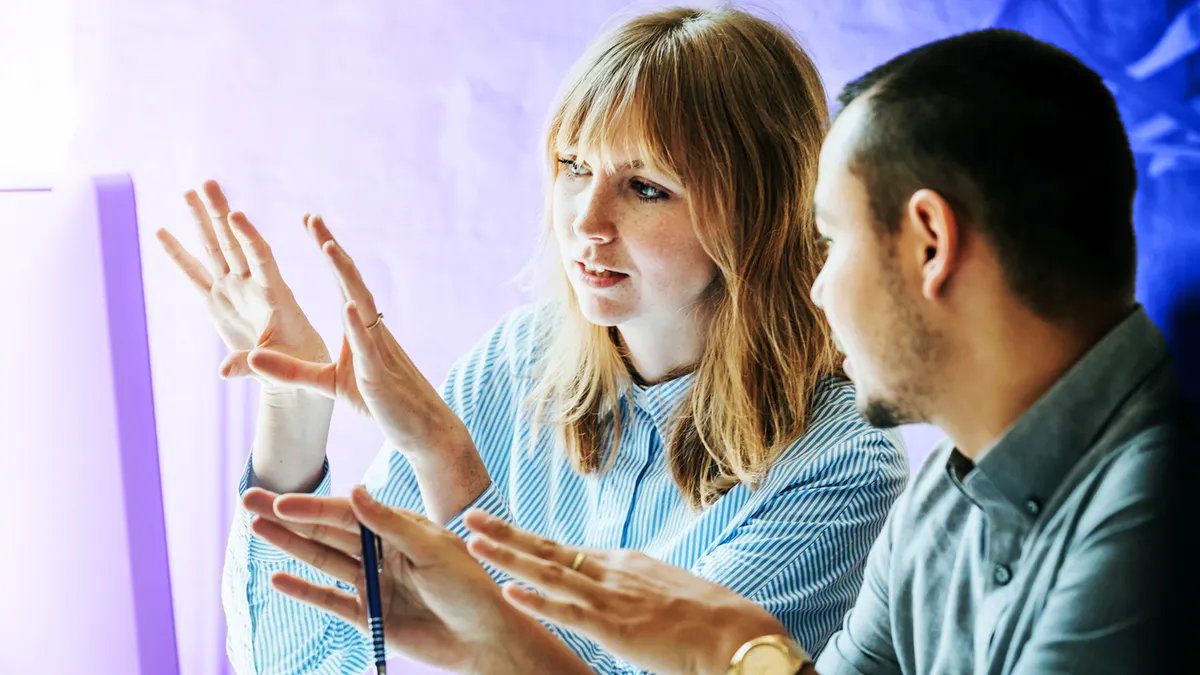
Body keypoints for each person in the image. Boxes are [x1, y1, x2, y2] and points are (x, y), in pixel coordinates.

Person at [242, 26, 1198, 675]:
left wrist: (735, 653)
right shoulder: (954, 494)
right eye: (573, 169)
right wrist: (295, 412)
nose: (818, 285)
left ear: (929, 244)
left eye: (831, 241)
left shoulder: (1150, 507)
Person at [157, 7, 909, 673]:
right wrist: (293, 410)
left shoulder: (842, 462)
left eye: (646, 187)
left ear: (759, 212)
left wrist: (447, 462)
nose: (585, 221)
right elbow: (305, 662)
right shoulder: (517, 362)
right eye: (574, 167)